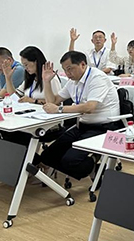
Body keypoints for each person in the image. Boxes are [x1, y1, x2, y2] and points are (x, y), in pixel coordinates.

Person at [40, 51, 121, 180]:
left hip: (103, 127)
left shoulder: (97, 78)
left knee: (70, 161)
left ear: (82, 64)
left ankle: (94, 162)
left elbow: (90, 107)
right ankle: (92, 166)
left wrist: (59, 109)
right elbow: (53, 101)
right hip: (82, 125)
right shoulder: (73, 81)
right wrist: (46, 82)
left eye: (70, 69)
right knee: (47, 156)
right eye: (65, 70)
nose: (67, 73)